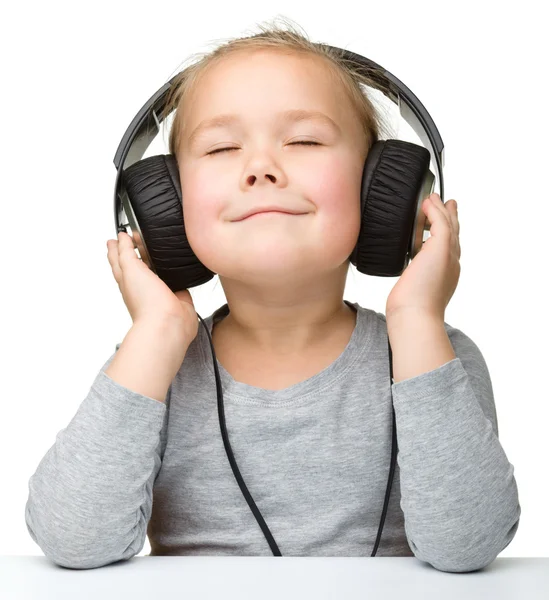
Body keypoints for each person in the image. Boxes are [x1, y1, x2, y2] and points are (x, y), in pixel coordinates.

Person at [24, 17, 521, 571]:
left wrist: (417, 320)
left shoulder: (434, 355)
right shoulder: (152, 367)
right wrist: (156, 332)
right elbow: (74, 542)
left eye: (304, 140)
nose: (261, 168)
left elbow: (467, 548)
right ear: (162, 204)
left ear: (385, 191)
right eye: (220, 149)